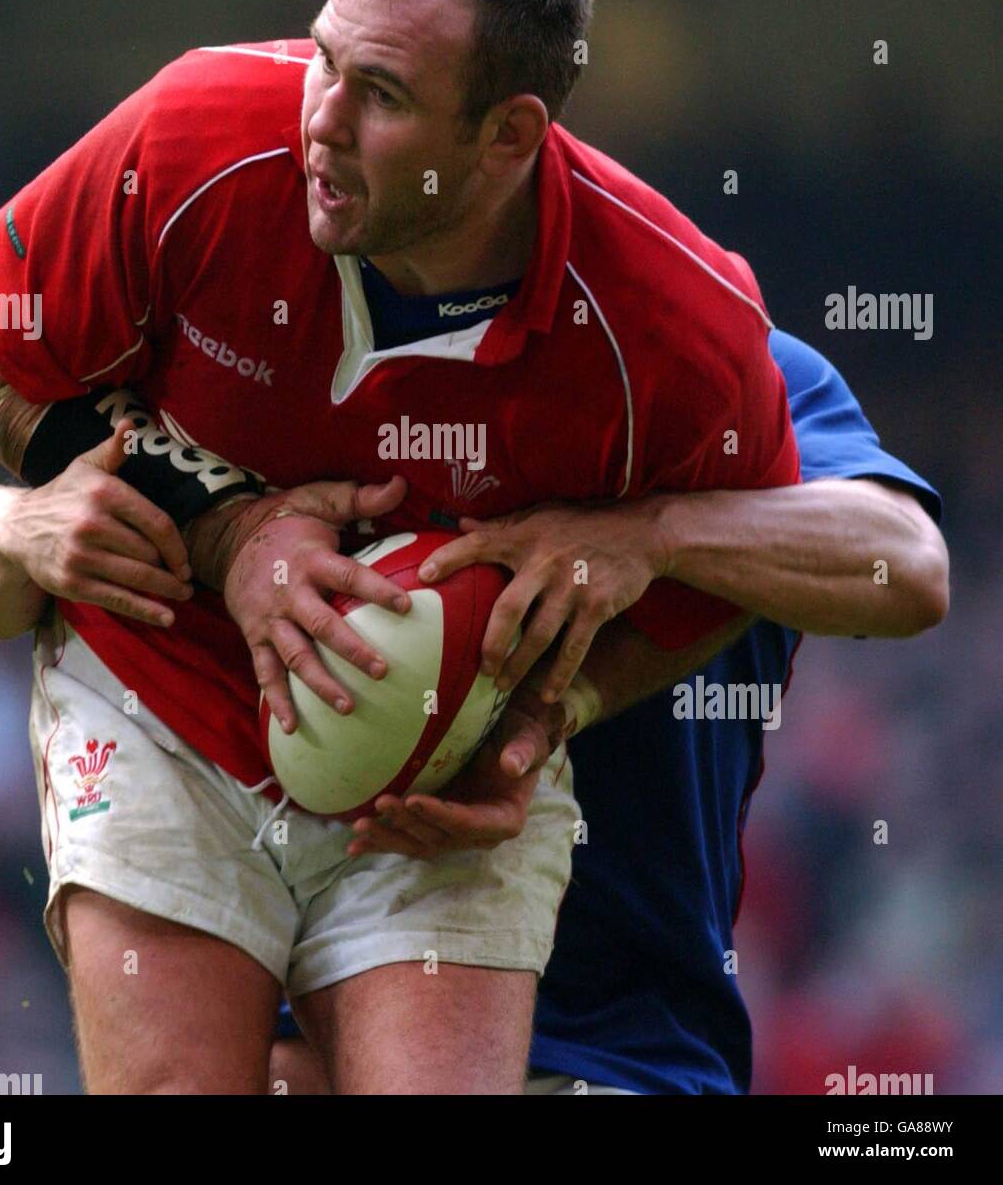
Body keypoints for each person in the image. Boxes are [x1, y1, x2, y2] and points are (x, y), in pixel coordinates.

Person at [0, 0, 801, 1094]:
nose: (320, 121)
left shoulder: (674, 321)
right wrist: (230, 532)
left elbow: (732, 564)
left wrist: (554, 709)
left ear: (508, 136)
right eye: (324, 59)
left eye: (382, 96)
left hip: (432, 782)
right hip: (161, 688)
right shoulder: (197, 131)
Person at [265, 329, 948, 1093]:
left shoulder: (741, 367)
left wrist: (655, 538)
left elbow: (907, 563)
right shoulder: (360, 361)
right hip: (323, 1023)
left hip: (616, 1045)